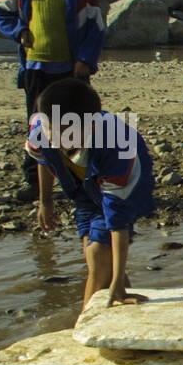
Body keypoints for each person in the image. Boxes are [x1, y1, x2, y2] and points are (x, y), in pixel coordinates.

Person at [0, 0, 105, 204]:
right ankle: (34, 182)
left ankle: (82, 177)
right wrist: (19, 31)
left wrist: (85, 61)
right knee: (37, 124)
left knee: (77, 122)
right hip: (36, 68)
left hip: (71, 69)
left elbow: (96, 27)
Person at [27, 78, 155, 309]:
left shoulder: (118, 149)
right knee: (95, 253)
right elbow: (43, 160)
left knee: (98, 252)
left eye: (68, 134)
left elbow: (118, 221)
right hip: (81, 188)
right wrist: (45, 202)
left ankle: (83, 324)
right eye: (52, 132)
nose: (58, 141)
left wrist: (117, 284)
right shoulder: (40, 130)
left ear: (92, 126)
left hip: (126, 184)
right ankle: (121, 297)